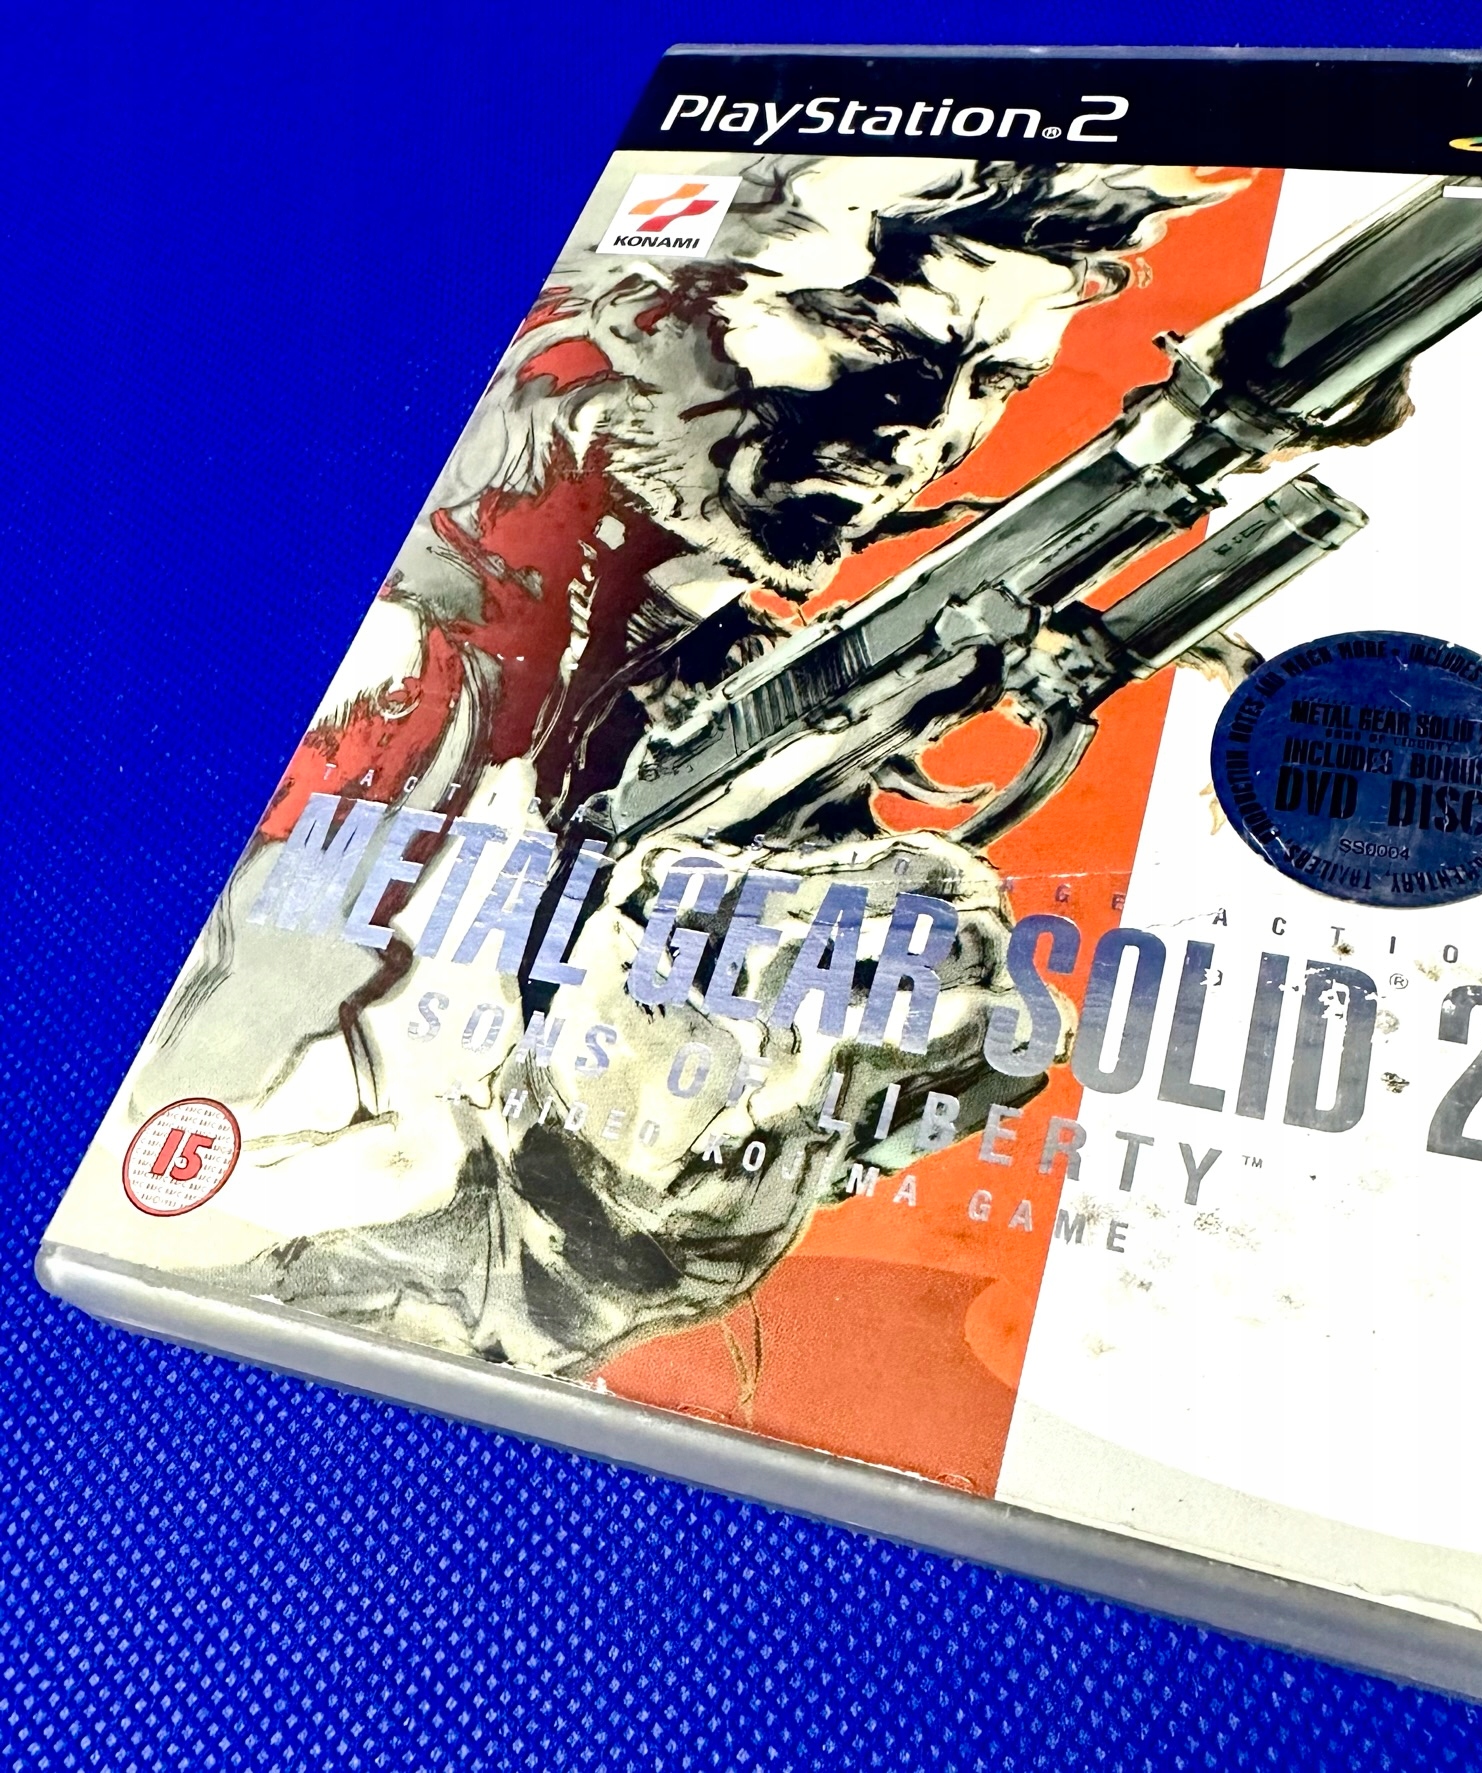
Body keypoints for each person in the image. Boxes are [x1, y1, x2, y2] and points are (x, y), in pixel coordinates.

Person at [139, 155, 1247, 1373]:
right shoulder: (396, 678)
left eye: (992, 381)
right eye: (867, 334)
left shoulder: (691, 646)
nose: (925, 429)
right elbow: (211, 1216)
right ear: (643, 308)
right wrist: (620, 1183)